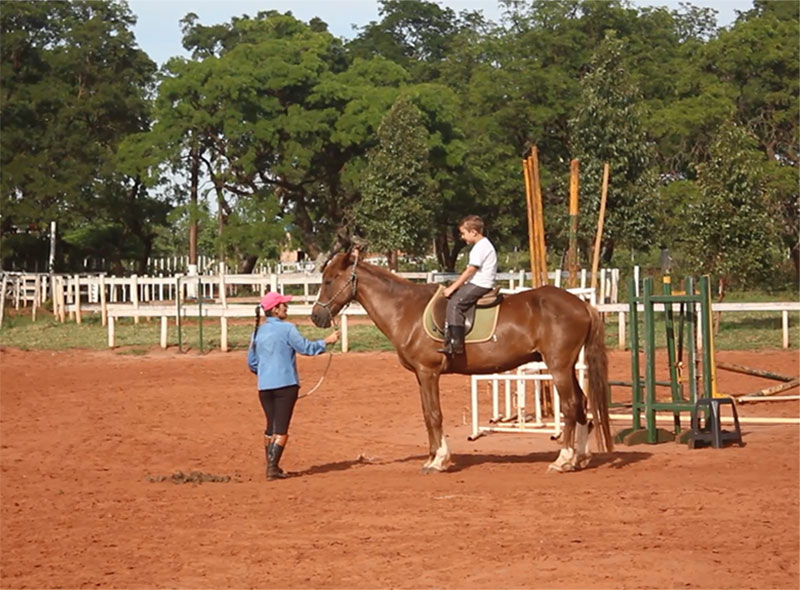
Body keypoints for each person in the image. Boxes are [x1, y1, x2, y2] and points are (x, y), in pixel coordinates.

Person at [248, 291, 339, 481]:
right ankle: (272, 468)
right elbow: (306, 348)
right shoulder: (288, 329)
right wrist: (327, 341)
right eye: (283, 305)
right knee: (281, 427)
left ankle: (272, 465)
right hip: (286, 384)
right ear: (275, 309)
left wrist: (266, 373)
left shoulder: (257, 332)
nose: (286, 307)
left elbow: (252, 363)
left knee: (270, 425)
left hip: (264, 386)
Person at [438, 215, 497, 356]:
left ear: (474, 232)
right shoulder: (483, 245)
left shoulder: (480, 247)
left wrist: (453, 287)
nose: (462, 237)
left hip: (480, 283)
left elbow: (471, 270)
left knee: (455, 304)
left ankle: (456, 344)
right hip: (479, 282)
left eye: (464, 233)